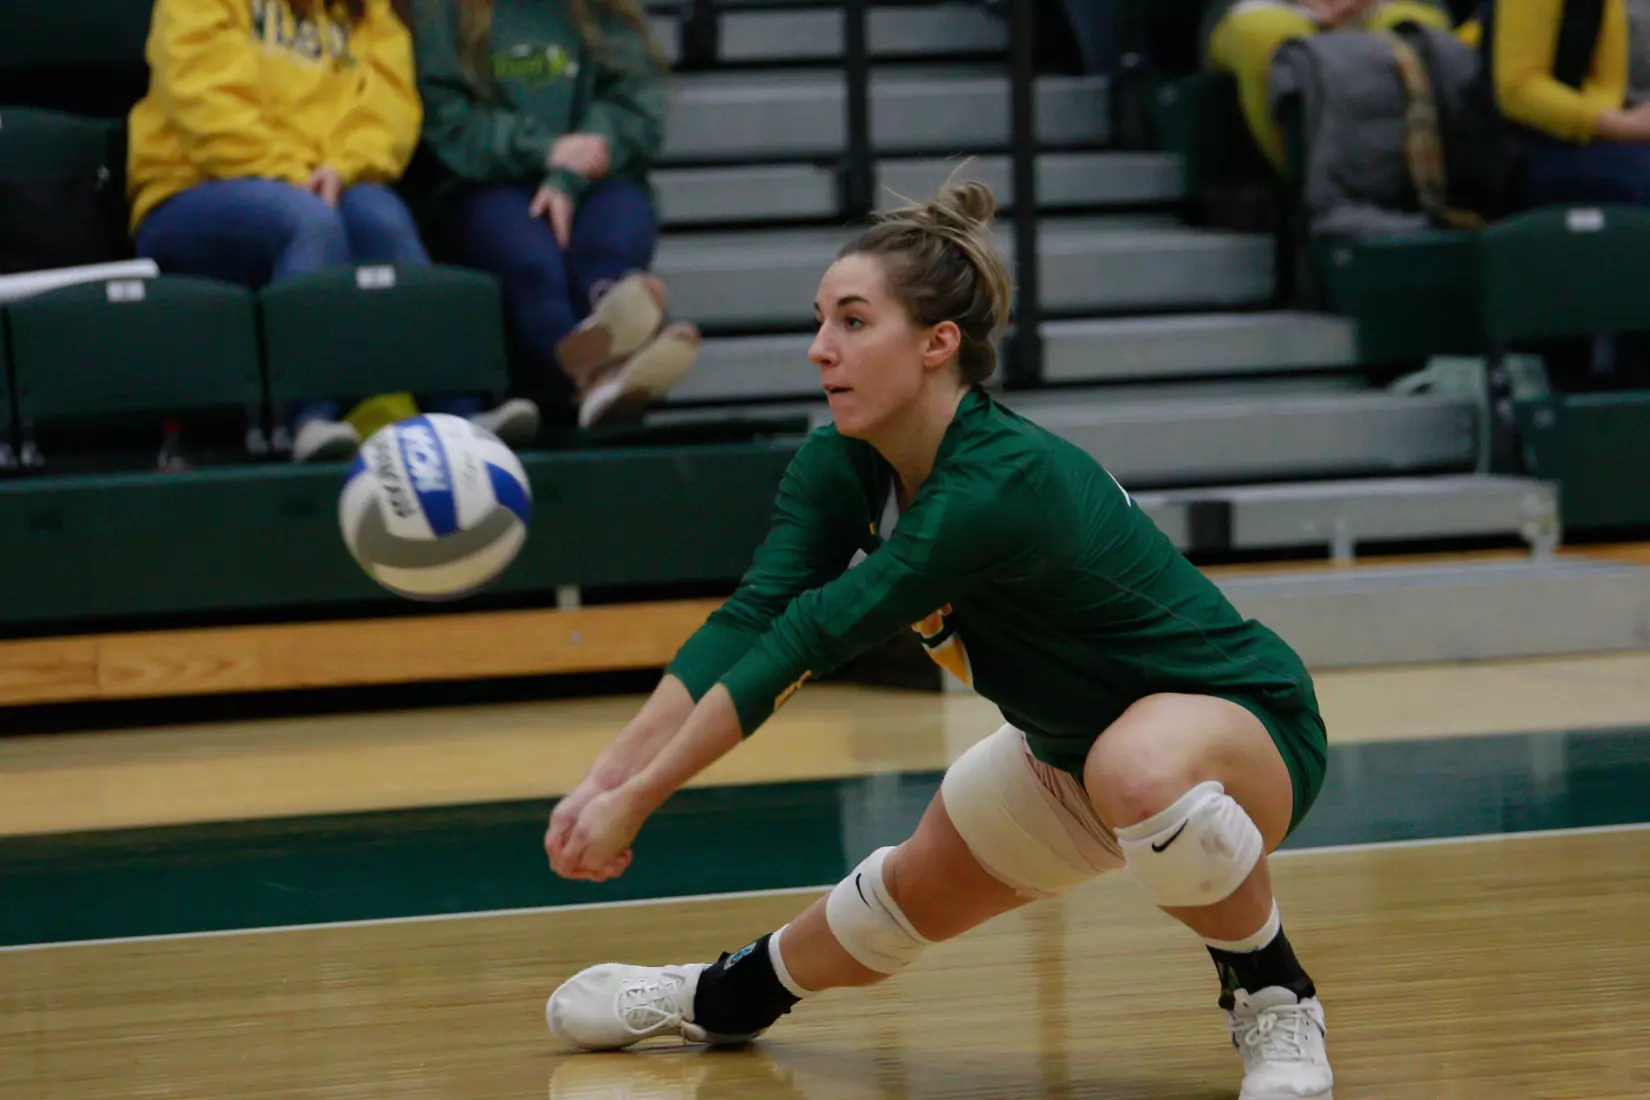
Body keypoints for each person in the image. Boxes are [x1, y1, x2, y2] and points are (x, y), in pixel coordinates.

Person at [538, 181, 1335, 1100]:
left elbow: (814, 634)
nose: (819, 348)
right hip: (1066, 753)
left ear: (936, 344)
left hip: (1247, 729)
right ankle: (716, 999)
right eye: (818, 321)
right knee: (891, 912)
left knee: (1139, 766)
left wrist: (638, 801)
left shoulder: (994, 483)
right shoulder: (843, 462)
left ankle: (1275, 998)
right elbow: (754, 618)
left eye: (851, 321)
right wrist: (606, 778)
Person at [127, 0, 536, 462]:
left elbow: (391, 105)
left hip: (324, 182)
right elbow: (203, 101)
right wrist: (294, 172)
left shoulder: (368, 9)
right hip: (193, 190)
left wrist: (344, 167)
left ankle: (456, 412)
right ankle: (309, 419)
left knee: (382, 218)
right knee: (306, 220)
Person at [410, 0, 698, 429]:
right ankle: (603, 375)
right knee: (533, 263)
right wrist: (542, 151)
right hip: (484, 183)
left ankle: (606, 361)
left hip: (597, 176)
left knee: (610, 247)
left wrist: (575, 167)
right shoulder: (438, 12)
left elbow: (636, 99)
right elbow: (448, 119)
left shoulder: (606, 10)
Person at [1205, 0, 1453, 171]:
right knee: (1269, 42)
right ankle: (1316, 200)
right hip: (1264, 7)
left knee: (1413, 36)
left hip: (1393, 5)